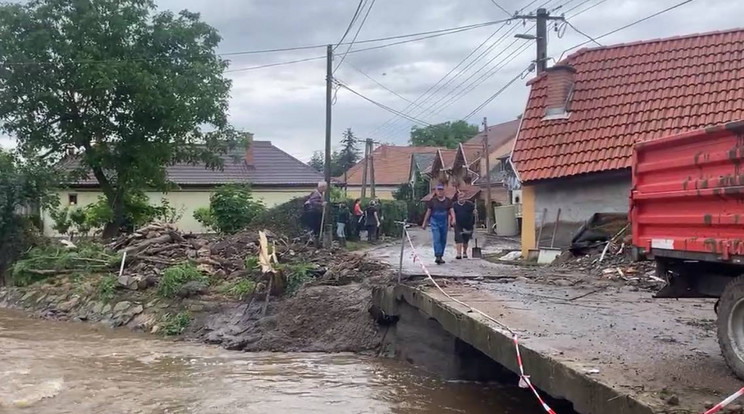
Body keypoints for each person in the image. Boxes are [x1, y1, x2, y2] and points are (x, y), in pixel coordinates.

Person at [422, 184, 455, 264]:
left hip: (444, 222)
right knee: (437, 238)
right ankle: (438, 255)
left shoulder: (448, 201)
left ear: (444, 191)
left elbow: (451, 211)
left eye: (441, 190)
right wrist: (424, 223)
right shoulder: (432, 201)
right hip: (435, 221)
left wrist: (453, 219)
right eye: (438, 190)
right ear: (436, 191)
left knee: (443, 240)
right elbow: (428, 212)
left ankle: (441, 256)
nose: (440, 192)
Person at [452, 190, 476, 259]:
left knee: (466, 239)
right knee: (458, 238)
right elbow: (452, 213)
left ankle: (464, 252)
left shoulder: (470, 205)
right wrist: (451, 221)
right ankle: (458, 254)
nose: (461, 198)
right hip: (458, 224)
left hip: (468, 224)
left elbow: (474, 212)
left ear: (465, 198)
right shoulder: (454, 205)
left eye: (463, 197)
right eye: (460, 197)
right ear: (458, 198)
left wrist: (475, 213)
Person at [302, 181, 327, 245]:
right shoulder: (316, 193)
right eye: (325, 187)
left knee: (317, 227)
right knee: (314, 227)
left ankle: (316, 240)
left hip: (315, 212)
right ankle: (312, 240)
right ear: (322, 187)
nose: (326, 188)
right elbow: (312, 201)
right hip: (312, 212)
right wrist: (321, 204)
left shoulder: (321, 193)